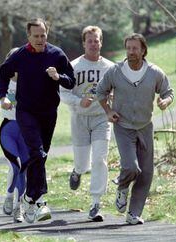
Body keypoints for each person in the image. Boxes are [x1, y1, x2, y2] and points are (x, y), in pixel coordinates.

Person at [0, 18, 76, 223]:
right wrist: (3, 95)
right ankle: (39, 201)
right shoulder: (20, 56)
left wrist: (58, 77)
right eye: (36, 36)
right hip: (26, 112)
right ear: (28, 36)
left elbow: (71, 81)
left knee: (41, 157)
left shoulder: (57, 54)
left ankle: (28, 199)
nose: (40, 39)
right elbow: (3, 74)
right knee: (36, 152)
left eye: (43, 35)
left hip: (49, 113)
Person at [96, 33, 174, 225]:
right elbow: (100, 91)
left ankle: (133, 213)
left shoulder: (154, 72)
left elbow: (168, 92)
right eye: (128, 48)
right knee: (131, 166)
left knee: (146, 173)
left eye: (135, 48)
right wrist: (108, 110)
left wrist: (165, 101)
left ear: (143, 50)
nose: (131, 52)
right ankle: (122, 187)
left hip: (145, 127)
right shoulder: (115, 71)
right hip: (123, 126)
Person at [60, 26, 113, 222]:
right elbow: (63, 93)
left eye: (96, 40)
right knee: (83, 163)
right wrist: (78, 101)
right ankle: (77, 172)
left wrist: (113, 99)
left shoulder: (110, 68)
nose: (93, 44)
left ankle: (95, 203)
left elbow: (117, 91)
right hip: (80, 118)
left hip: (101, 118)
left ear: (101, 42)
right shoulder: (73, 66)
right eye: (89, 40)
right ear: (83, 43)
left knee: (100, 159)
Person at [0, 47, 28, 223]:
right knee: (15, 165)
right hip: (8, 129)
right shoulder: (3, 83)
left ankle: (18, 206)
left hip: (26, 130)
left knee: (22, 169)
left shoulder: (28, 82)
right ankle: (10, 195)